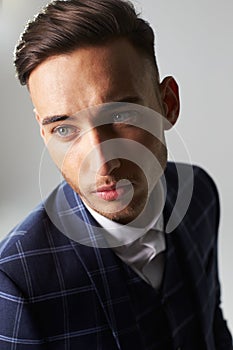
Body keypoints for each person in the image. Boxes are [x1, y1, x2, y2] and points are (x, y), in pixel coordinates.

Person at [0, 0, 232, 349]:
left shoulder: (200, 194)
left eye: (120, 116)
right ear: (43, 131)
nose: (102, 163)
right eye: (64, 129)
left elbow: (213, 326)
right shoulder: (16, 282)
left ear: (167, 103)